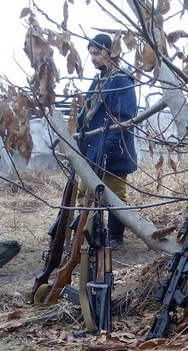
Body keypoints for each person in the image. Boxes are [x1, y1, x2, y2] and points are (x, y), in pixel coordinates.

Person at [77, 33, 138, 250]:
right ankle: (88, 236)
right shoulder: (99, 80)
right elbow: (87, 114)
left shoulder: (121, 80)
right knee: (84, 194)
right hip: (93, 151)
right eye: (91, 54)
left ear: (109, 52)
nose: (92, 58)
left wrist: (106, 149)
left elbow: (124, 118)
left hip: (114, 152)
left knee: (115, 197)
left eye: (96, 53)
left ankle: (115, 238)